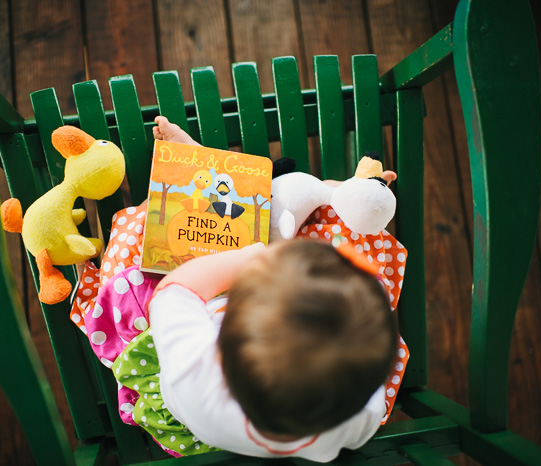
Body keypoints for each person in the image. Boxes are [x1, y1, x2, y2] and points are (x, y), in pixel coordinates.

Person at [69, 117, 409, 461]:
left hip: (189, 415)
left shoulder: (195, 368)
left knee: (143, 238)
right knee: (346, 241)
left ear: (226, 340)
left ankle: (201, 171)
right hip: (245, 429)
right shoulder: (360, 411)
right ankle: (353, 193)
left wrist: (247, 258)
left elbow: (175, 289)